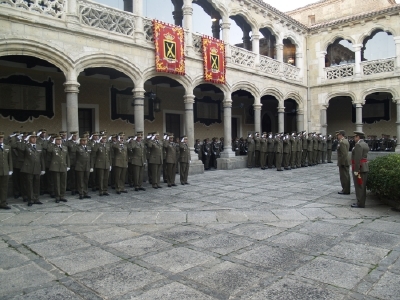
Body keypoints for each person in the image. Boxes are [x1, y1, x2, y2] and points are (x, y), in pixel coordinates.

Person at [14, 132, 45, 206]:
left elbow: (42, 158)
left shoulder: (39, 146)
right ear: (29, 138)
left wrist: (43, 169)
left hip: (37, 167)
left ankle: (36, 198)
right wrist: (24, 140)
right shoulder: (26, 146)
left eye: (35, 137)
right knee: (29, 184)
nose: (34, 139)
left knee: (37, 184)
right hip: (29, 168)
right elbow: (18, 147)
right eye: (32, 137)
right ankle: (30, 199)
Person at [47, 136, 70, 203]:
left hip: (63, 166)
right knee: (56, 182)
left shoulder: (64, 147)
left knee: (63, 182)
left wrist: (68, 165)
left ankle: (62, 196)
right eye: (57, 140)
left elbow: (67, 157)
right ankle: (57, 196)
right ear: (55, 140)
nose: (59, 141)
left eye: (60, 140)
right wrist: (52, 143)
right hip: (55, 167)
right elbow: (48, 150)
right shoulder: (52, 147)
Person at [351, 131, 369, 208]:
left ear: (358, 137)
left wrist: (356, 170)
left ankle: (360, 203)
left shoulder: (358, 145)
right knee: (362, 186)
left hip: (360, 168)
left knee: (359, 186)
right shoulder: (365, 144)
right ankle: (361, 202)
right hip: (364, 166)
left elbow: (358, 159)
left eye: (355, 137)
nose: (354, 138)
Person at [75, 135, 92, 199]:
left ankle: (85, 192)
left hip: (87, 166)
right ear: (80, 141)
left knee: (86, 180)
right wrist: (76, 144)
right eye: (83, 141)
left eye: (85, 140)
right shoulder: (78, 147)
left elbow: (90, 157)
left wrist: (91, 166)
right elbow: (74, 152)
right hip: (80, 166)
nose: (84, 142)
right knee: (80, 180)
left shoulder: (88, 147)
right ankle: (81, 193)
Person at [0, 133, 13, 209]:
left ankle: (3, 202)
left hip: (5, 170)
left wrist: (10, 169)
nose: (0, 139)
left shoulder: (7, 147)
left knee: (4, 187)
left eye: (1, 138)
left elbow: (10, 159)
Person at [337, 130, 350, 195]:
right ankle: (346, 189)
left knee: (344, 176)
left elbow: (343, 154)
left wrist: (341, 162)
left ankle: (345, 190)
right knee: (346, 175)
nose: (337, 136)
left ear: (341, 135)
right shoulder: (345, 140)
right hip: (346, 160)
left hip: (344, 161)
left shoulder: (342, 142)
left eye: (338, 135)